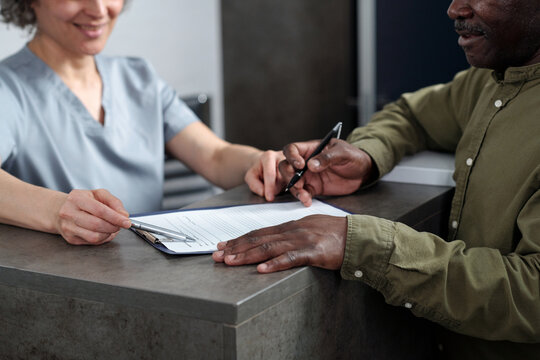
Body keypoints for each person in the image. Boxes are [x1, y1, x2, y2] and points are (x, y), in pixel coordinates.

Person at [213, 0, 540, 358]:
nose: (454, 9)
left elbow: (533, 293)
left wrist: (367, 244)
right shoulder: (490, 81)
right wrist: (367, 157)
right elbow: (411, 116)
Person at [0, 0, 283, 246]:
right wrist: (57, 210)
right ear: (29, 1)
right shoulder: (8, 88)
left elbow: (215, 155)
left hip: (151, 275)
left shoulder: (139, 78)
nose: (98, 9)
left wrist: (260, 163)